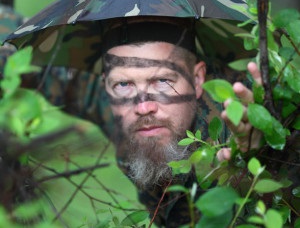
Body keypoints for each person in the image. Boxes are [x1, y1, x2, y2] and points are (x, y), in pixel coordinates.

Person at [98, 16, 261, 226]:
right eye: (123, 84)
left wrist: (253, 162)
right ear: (105, 87)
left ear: (197, 79)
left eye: (162, 81)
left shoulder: (246, 112)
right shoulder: (111, 112)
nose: (143, 107)